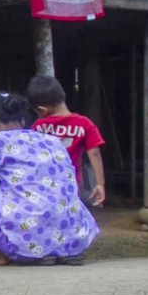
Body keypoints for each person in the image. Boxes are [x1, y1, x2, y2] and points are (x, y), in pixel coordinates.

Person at [0, 89, 99, 266]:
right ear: (22, 120)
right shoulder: (52, 141)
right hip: (73, 240)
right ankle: (57, 250)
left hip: (23, 243)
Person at [27, 75, 106, 207]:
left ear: (42, 110)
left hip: (42, 185)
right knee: (69, 214)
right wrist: (100, 184)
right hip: (71, 184)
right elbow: (95, 153)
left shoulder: (38, 127)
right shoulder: (84, 124)